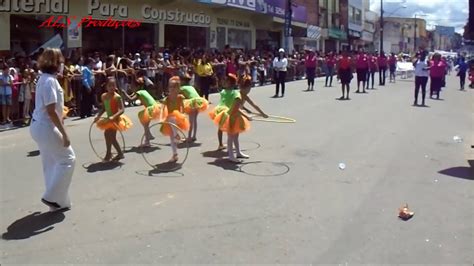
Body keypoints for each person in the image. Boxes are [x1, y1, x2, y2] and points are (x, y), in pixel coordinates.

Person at [29, 48, 76, 211]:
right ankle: (52, 196)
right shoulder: (49, 81)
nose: (63, 64)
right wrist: (64, 133)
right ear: (55, 63)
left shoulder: (44, 78)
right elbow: (51, 111)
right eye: (61, 61)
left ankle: (59, 202)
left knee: (51, 163)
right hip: (46, 126)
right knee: (68, 159)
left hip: (39, 125)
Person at [213, 75, 252, 163]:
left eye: (226, 81)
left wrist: (246, 112)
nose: (223, 83)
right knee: (231, 136)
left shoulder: (236, 93)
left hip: (234, 115)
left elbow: (237, 107)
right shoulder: (230, 93)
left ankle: (238, 152)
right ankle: (231, 155)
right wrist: (247, 116)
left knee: (235, 136)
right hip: (229, 115)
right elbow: (235, 108)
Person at [94, 77, 132, 162]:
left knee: (111, 136)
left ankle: (114, 154)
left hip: (116, 119)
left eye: (113, 85)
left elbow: (122, 110)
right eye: (109, 85)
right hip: (109, 119)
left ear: (116, 86)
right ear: (106, 87)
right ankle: (113, 153)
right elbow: (104, 108)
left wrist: (114, 117)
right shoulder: (104, 96)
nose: (111, 87)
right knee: (108, 136)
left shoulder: (117, 97)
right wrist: (98, 116)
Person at [124, 79, 164, 147]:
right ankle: (148, 137)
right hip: (155, 107)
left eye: (132, 86)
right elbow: (130, 97)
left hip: (151, 108)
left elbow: (130, 100)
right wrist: (125, 93)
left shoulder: (139, 92)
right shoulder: (142, 91)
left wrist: (124, 93)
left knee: (144, 123)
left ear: (137, 87)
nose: (131, 88)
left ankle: (147, 140)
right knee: (145, 124)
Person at [161, 76, 190, 163]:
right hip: (170, 121)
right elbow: (162, 110)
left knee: (173, 117)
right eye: (170, 87)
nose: (172, 89)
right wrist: (161, 119)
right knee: (171, 138)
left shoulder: (180, 97)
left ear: (178, 88)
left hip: (179, 119)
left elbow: (182, 107)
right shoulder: (167, 99)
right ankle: (175, 154)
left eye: (174, 87)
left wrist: (182, 114)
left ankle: (176, 135)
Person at [209, 73, 239, 150]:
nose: (225, 83)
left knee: (221, 128)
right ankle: (225, 144)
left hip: (220, 110)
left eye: (227, 81)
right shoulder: (233, 92)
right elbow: (234, 103)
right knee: (229, 129)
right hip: (227, 111)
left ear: (231, 83)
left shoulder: (224, 91)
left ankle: (221, 144)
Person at [180, 73, 208, 142]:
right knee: (194, 120)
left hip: (192, 102)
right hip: (199, 101)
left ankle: (189, 137)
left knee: (190, 121)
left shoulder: (182, 88)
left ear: (183, 81)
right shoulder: (191, 87)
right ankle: (194, 136)